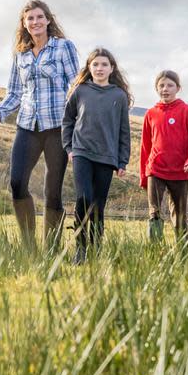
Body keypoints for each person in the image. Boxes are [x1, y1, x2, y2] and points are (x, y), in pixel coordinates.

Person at [0, 0, 80, 251]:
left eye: (40, 17)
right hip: (27, 126)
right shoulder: (21, 54)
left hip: (57, 128)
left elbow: (76, 87)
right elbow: (15, 92)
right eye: (30, 18)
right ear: (24, 23)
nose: (35, 22)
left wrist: (79, 123)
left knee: (52, 191)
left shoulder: (63, 48)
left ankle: (51, 249)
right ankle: (29, 247)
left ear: (48, 19)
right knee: (17, 183)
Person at [62, 48, 131, 263]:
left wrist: (122, 160)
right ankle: (80, 250)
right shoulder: (81, 90)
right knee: (83, 198)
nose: (99, 68)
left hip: (107, 156)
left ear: (112, 68)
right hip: (82, 152)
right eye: (95, 65)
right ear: (89, 67)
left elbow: (123, 130)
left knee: (98, 205)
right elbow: (68, 121)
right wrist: (69, 148)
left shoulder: (119, 95)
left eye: (104, 65)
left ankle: (96, 248)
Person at [139, 70, 188, 245]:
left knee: (180, 214)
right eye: (161, 85)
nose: (165, 89)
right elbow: (145, 147)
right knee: (154, 212)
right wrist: (144, 176)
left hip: (180, 171)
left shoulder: (185, 110)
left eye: (170, 85)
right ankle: (154, 249)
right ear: (156, 88)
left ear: (178, 88)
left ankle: (182, 252)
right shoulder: (151, 114)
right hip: (155, 170)